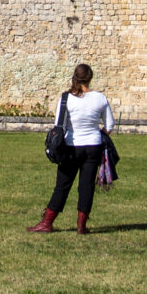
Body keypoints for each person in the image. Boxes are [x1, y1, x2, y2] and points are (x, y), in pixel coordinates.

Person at [28, 63, 112, 235]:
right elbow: (109, 125)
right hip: (93, 146)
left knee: (63, 185)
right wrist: (98, 132)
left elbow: (60, 125)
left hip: (72, 146)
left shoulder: (66, 98)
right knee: (86, 186)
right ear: (90, 78)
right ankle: (81, 225)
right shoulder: (100, 98)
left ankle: (47, 222)